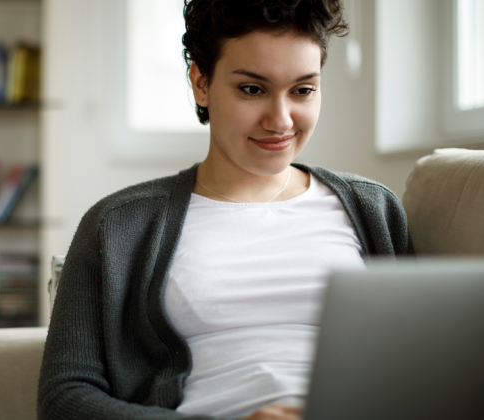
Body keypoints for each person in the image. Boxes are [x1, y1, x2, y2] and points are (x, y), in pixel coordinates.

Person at [38, 0, 413, 419]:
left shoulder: (373, 208)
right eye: (253, 89)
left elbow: (424, 365)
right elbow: (65, 398)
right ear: (201, 82)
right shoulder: (117, 224)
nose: (282, 120)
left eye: (303, 89)